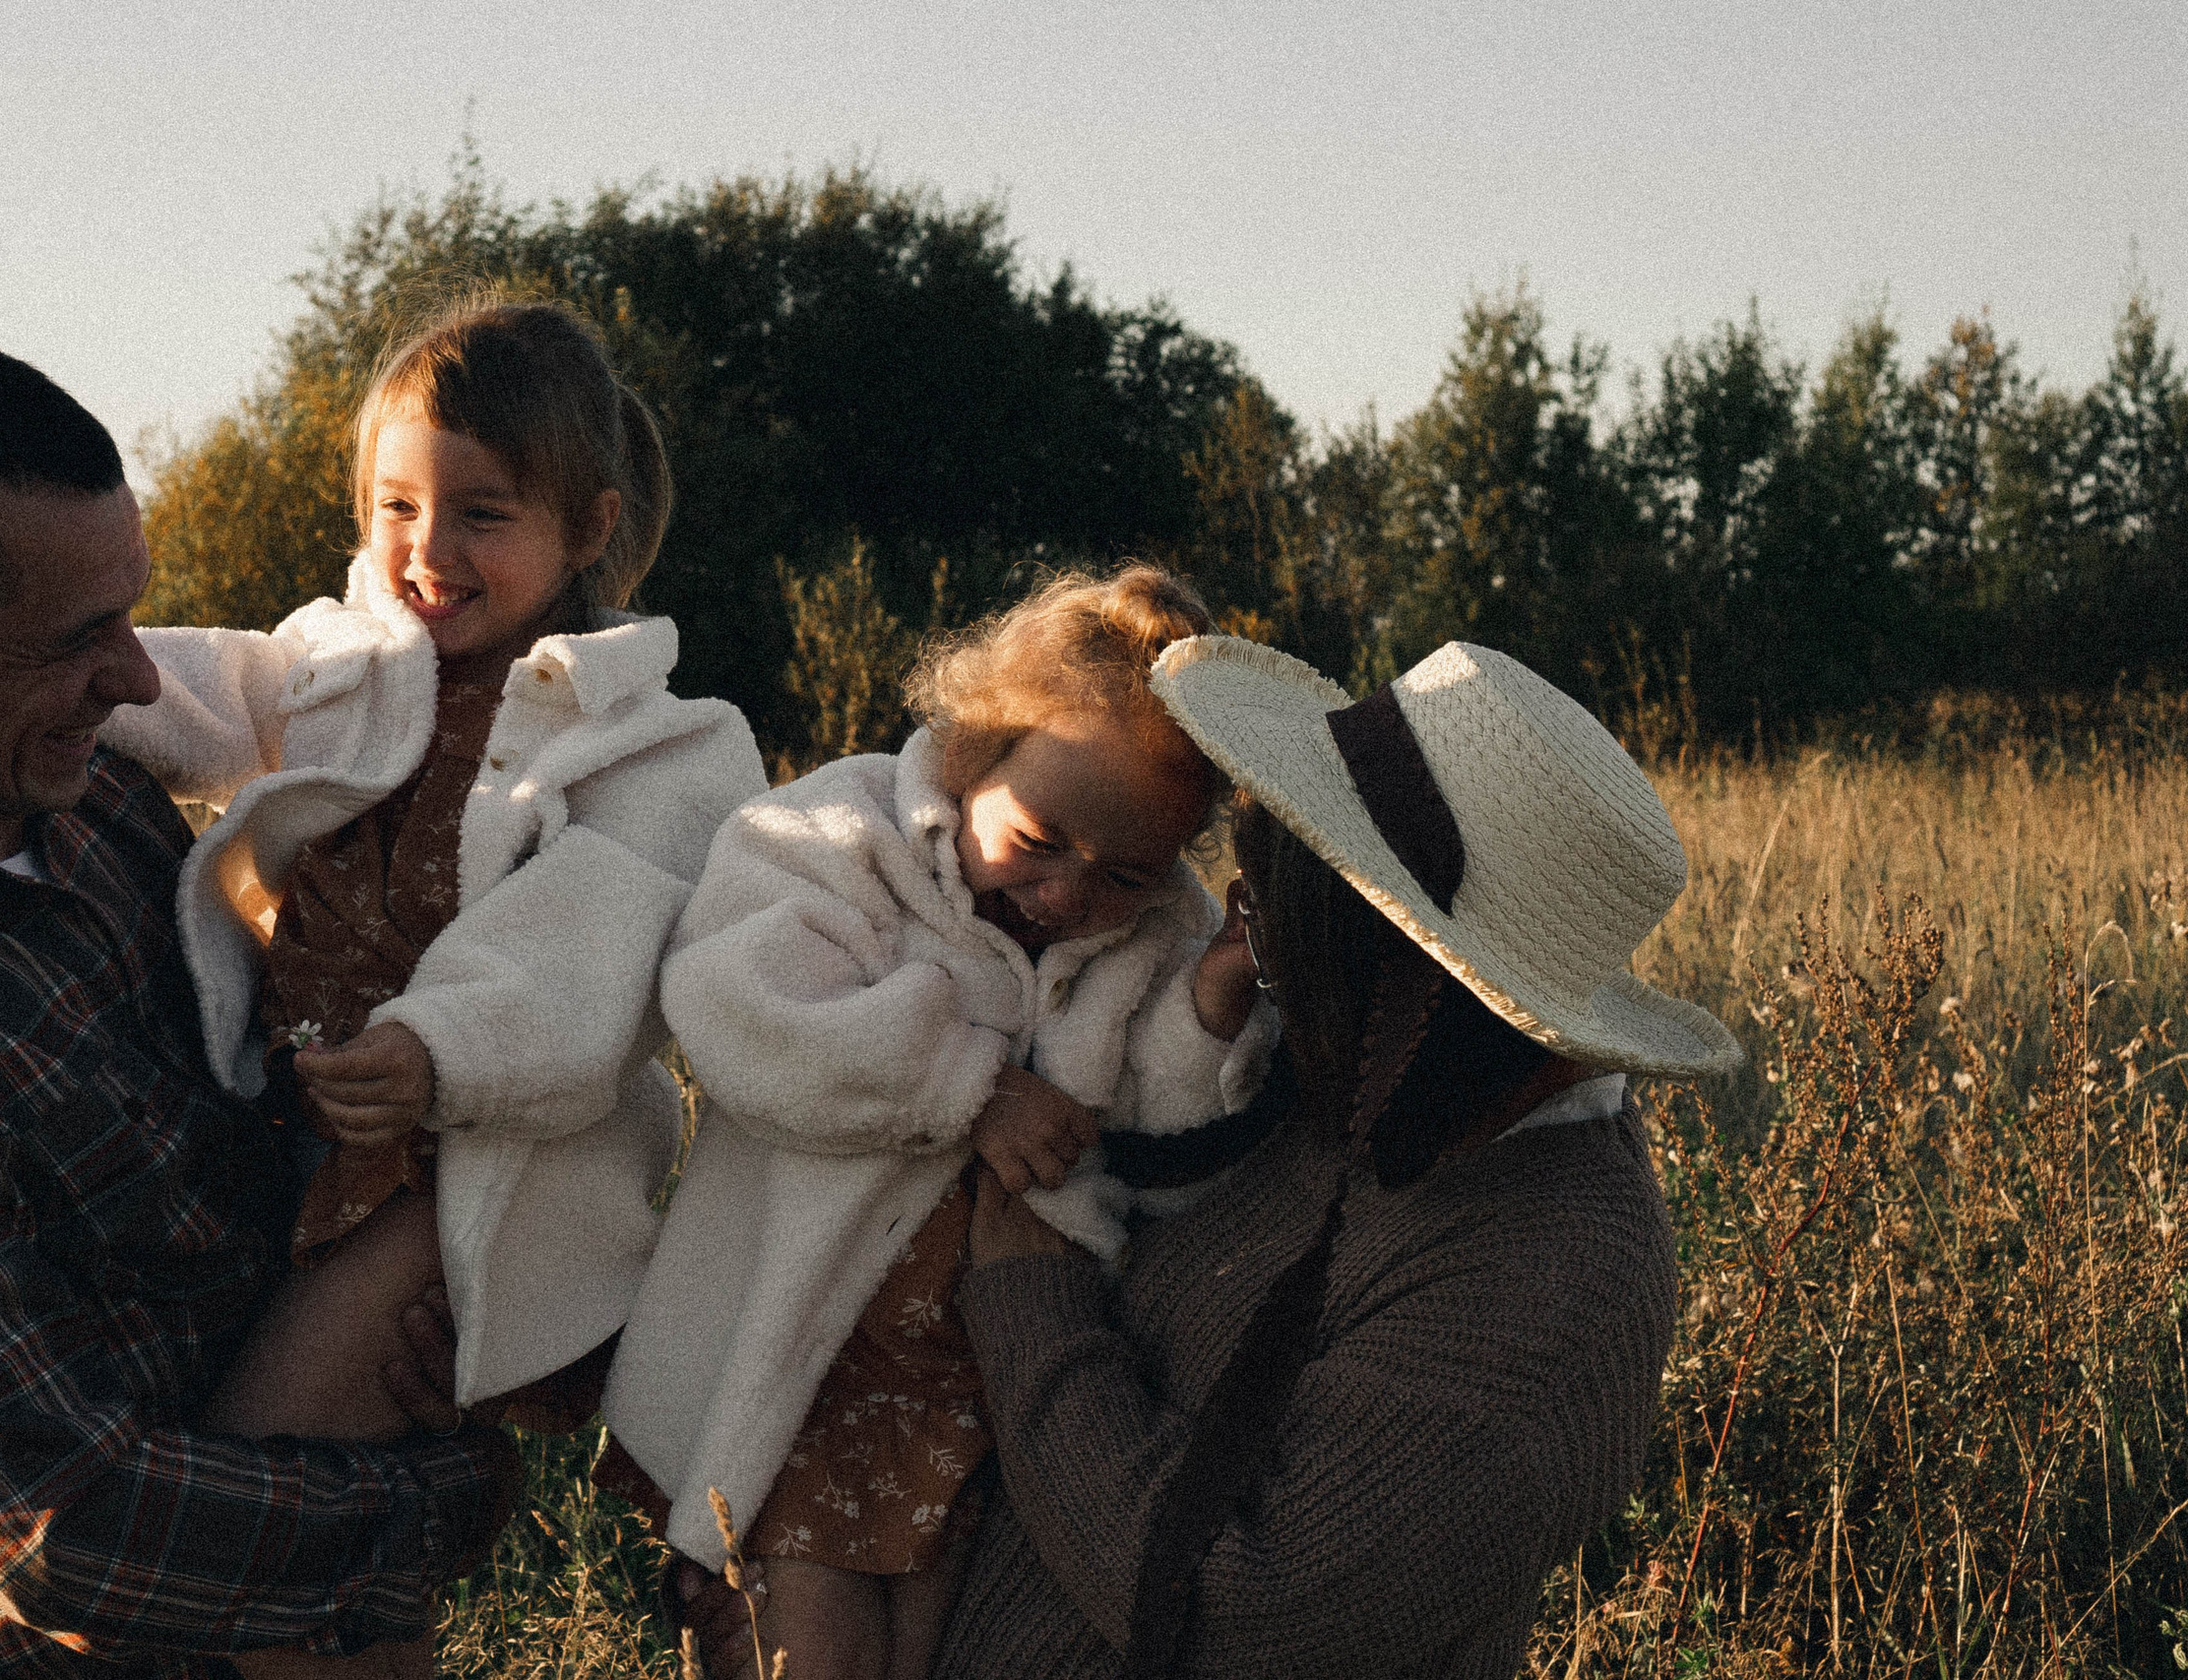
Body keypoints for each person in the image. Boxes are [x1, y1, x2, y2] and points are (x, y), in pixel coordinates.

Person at [0, 332, 514, 1680]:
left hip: (323, 1593)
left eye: (129, 614)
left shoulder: (93, 801)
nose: (137, 679)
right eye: (73, 641)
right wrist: (447, 1490)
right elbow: (77, 1531)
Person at [96, 298, 765, 1676]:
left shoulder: (655, 738)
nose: (428, 550)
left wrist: (436, 1045)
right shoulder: (343, 665)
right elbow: (198, 683)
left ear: (588, 527)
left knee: (264, 1493)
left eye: (482, 513)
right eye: (397, 505)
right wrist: (26, 671)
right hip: (296, 1137)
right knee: (361, 1563)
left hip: (458, 1173)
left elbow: (594, 933)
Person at [918, 636, 1744, 1678]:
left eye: (1295, 927)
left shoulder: (1553, 1281)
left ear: (1424, 976)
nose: (1252, 946)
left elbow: (1236, 1616)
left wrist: (1029, 1296)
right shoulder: (1370, 1078)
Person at [605, 567, 1279, 1680]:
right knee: (813, 1658)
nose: (1067, 897)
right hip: (806, 1368)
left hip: (973, 1395)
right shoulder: (839, 833)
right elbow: (737, 1007)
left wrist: (1212, 1000)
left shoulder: (1159, 932)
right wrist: (971, 1082)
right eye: (1038, 839)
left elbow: (1160, 1134)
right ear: (973, 752)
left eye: (1123, 875)